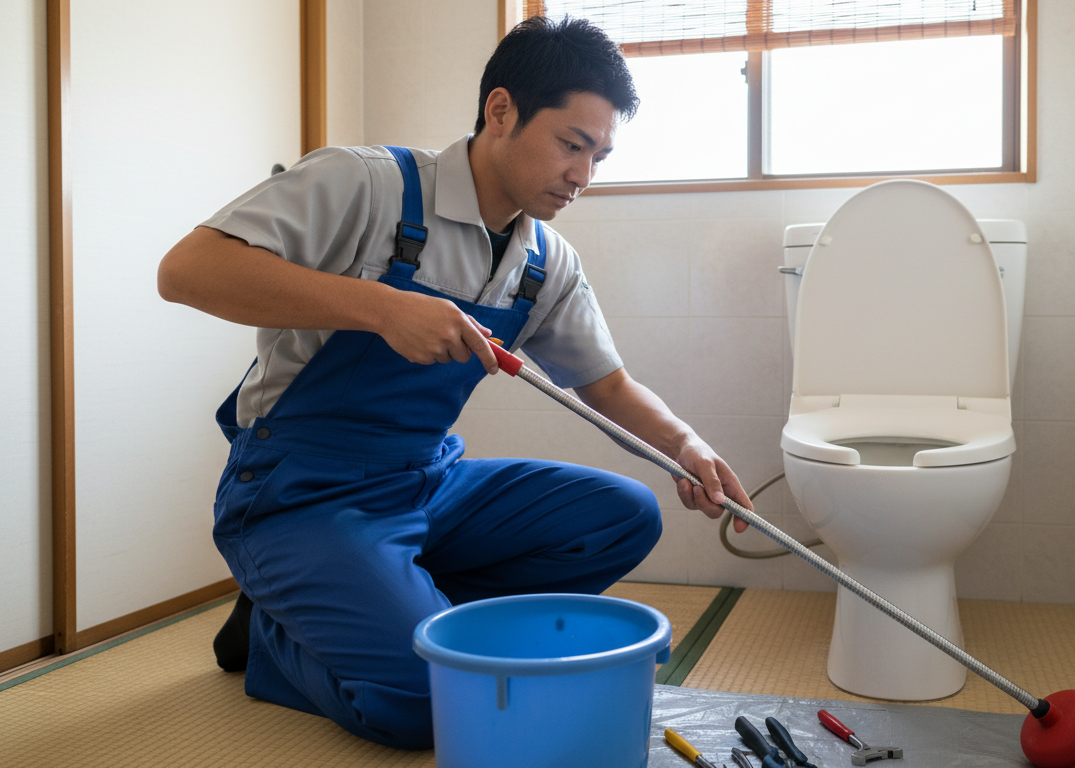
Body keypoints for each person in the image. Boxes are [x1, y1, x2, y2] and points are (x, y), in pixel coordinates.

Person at [157, 16, 752, 749]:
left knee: (625, 514)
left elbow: (608, 385)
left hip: (425, 483)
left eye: (599, 155)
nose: (584, 177)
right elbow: (186, 272)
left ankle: (389, 609)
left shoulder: (545, 262)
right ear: (500, 110)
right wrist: (382, 308)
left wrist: (685, 447)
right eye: (572, 145)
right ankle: (278, 637)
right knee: (427, 703)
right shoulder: (365, 183)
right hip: (298, 493)